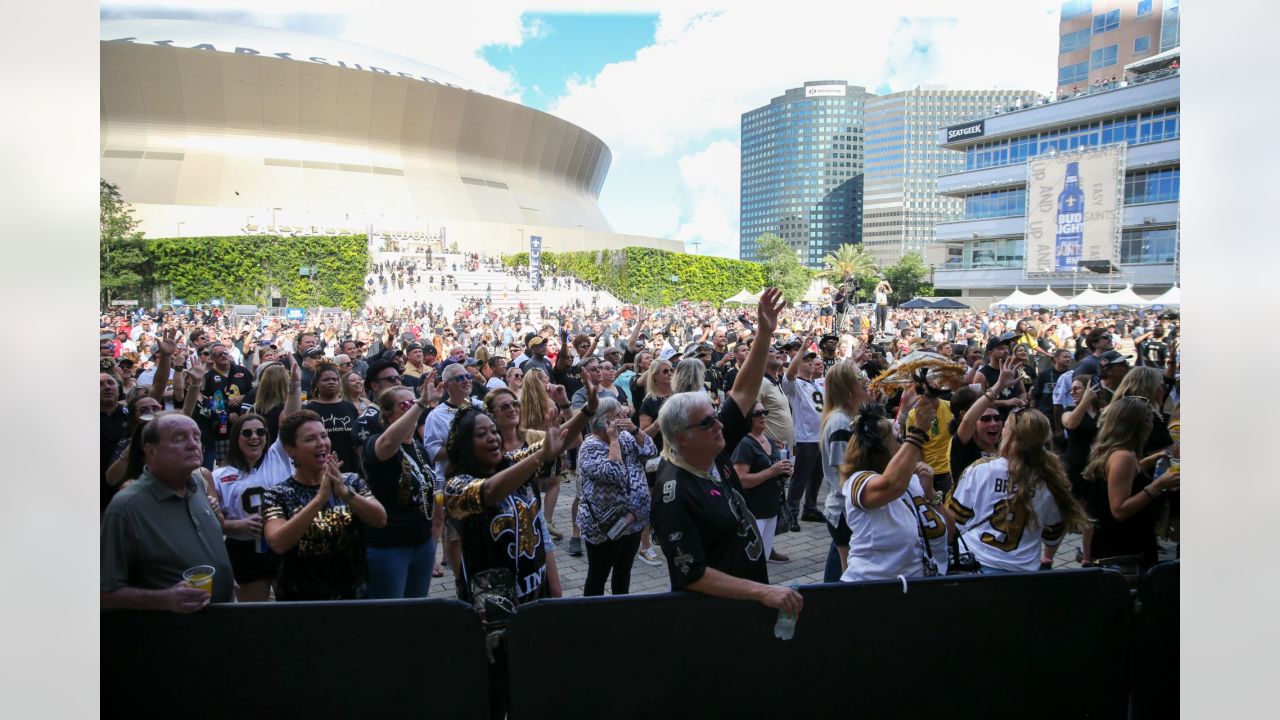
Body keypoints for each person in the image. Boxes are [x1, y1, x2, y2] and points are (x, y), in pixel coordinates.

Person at [650, 288, 803, 617]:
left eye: (715, 416)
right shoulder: (674, 492)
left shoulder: (710, 449)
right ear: (682, 437)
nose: (720, 425)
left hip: (748, 603)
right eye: (708, 422)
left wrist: (764, 334)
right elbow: (692, 574)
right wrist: (761, 591)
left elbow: (744, 391)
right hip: (717, 617)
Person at [101, 412, 234, 611]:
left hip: (219, 622)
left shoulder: (197, 483)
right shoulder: (126, 507)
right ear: (151, 451)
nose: (193, 444)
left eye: (196, 437)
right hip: (170, 634)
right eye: (179, 439)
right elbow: (104, 593)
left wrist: (225, 579)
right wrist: (164, 599)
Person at [262, 410, 388, 600]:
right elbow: (278, 543)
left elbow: (380, 519)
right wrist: (320, 499)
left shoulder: (351, 481)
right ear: (290, 450)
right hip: (301, 599)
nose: (321, 443)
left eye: (324, 435)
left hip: (352, 594)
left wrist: (345, 494)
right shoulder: (277, 494)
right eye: (310, 439)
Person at [945, 408, 1086, 573]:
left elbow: (955, 521)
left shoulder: (982, 469)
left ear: (1009, 435)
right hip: (1022, 573)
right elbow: (1052, 537)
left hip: (975, 565)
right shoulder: (1051, 481)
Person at [840, 400, 951, 582]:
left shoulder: (912, 479)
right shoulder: (857, 482)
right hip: (872, 591)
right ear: (880, 450)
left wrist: (930, 493)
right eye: (899, 440)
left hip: (918, 587)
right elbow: (891, 485)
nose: (904, 445)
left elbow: (949, 535)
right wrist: (917, 433)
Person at [362, 382, 443, 598]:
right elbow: (389, 441)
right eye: (406, 404)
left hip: (422, 543)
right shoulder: (376, 444)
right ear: (387, 413)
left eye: (414, 402)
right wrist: (422, 403)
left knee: (415, 610)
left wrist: (433, 539)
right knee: (390, 615)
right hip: (390, 546)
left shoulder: (418, 447)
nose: (413, 408)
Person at [212, 407, 299, 602]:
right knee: (254, 612)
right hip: (245, 549)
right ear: (236, 437)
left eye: (260, 432)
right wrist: (236, 525)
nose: (255, 437)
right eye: (247, 432)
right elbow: (211, 522)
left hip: (285, 542)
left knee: (294, 609)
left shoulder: (277, 456)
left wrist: (293, 384)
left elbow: (290, 419)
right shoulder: (218, 476)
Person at [1082, 397, 1180, 567]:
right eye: (1150, 420)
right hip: (1124, 548)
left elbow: (1117, 479)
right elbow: (1119, 510)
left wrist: (1146, 462)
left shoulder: (1115, 450)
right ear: (1139, 426)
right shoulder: (1123, 457)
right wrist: (1159, 485)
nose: (1153, 425)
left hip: (1115, 543)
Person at [577, 397, 658, 596]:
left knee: (623, 572)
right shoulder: (590, 447)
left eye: (623, 414)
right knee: (598, 575)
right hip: (604, 526)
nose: (623, 418)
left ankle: (620, 612)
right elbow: (614, 472)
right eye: (617, 416)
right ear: (603, 421)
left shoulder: (627, 436)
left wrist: (635, 430)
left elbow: (651, 450)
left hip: (632, 522)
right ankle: (593, 617)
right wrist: (613, 440)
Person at [817, 360, 871, 580]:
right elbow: (845, 471)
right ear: (848, 386)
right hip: (844, 509)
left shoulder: (848, 416)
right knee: (848, 573)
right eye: (861, 378)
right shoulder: (840, 421)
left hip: (844, 507)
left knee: (836, 568)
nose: (866, 381)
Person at [731, 400, 791, 563]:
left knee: (763, 557)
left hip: (771, 509)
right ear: (747, 418)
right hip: (753, 511)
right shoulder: (745, 444)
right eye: (758, 413)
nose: (763, 416)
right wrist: (772, 471)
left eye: (765, 412)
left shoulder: (770, 441)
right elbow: (741, 480)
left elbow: (774, 471)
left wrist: (783, 472)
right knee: (751, 562)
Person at [782, 341, 825, 523]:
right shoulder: (795, 385)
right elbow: (789, 374)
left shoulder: (816, 383)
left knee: (816, 476)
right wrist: (800, 351)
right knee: (800, 477)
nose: (810, 363)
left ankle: (810, 508)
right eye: (806, 360)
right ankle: (792, 512)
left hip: (821, 437)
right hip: (805, 437)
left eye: (811, 360)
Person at [304, 361, 361, 475]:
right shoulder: (309, 409)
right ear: (316, 384)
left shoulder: (348, 406)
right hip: (320, 469)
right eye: (326, 380)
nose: (331, 382)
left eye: (334, 379)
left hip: (350, 468)